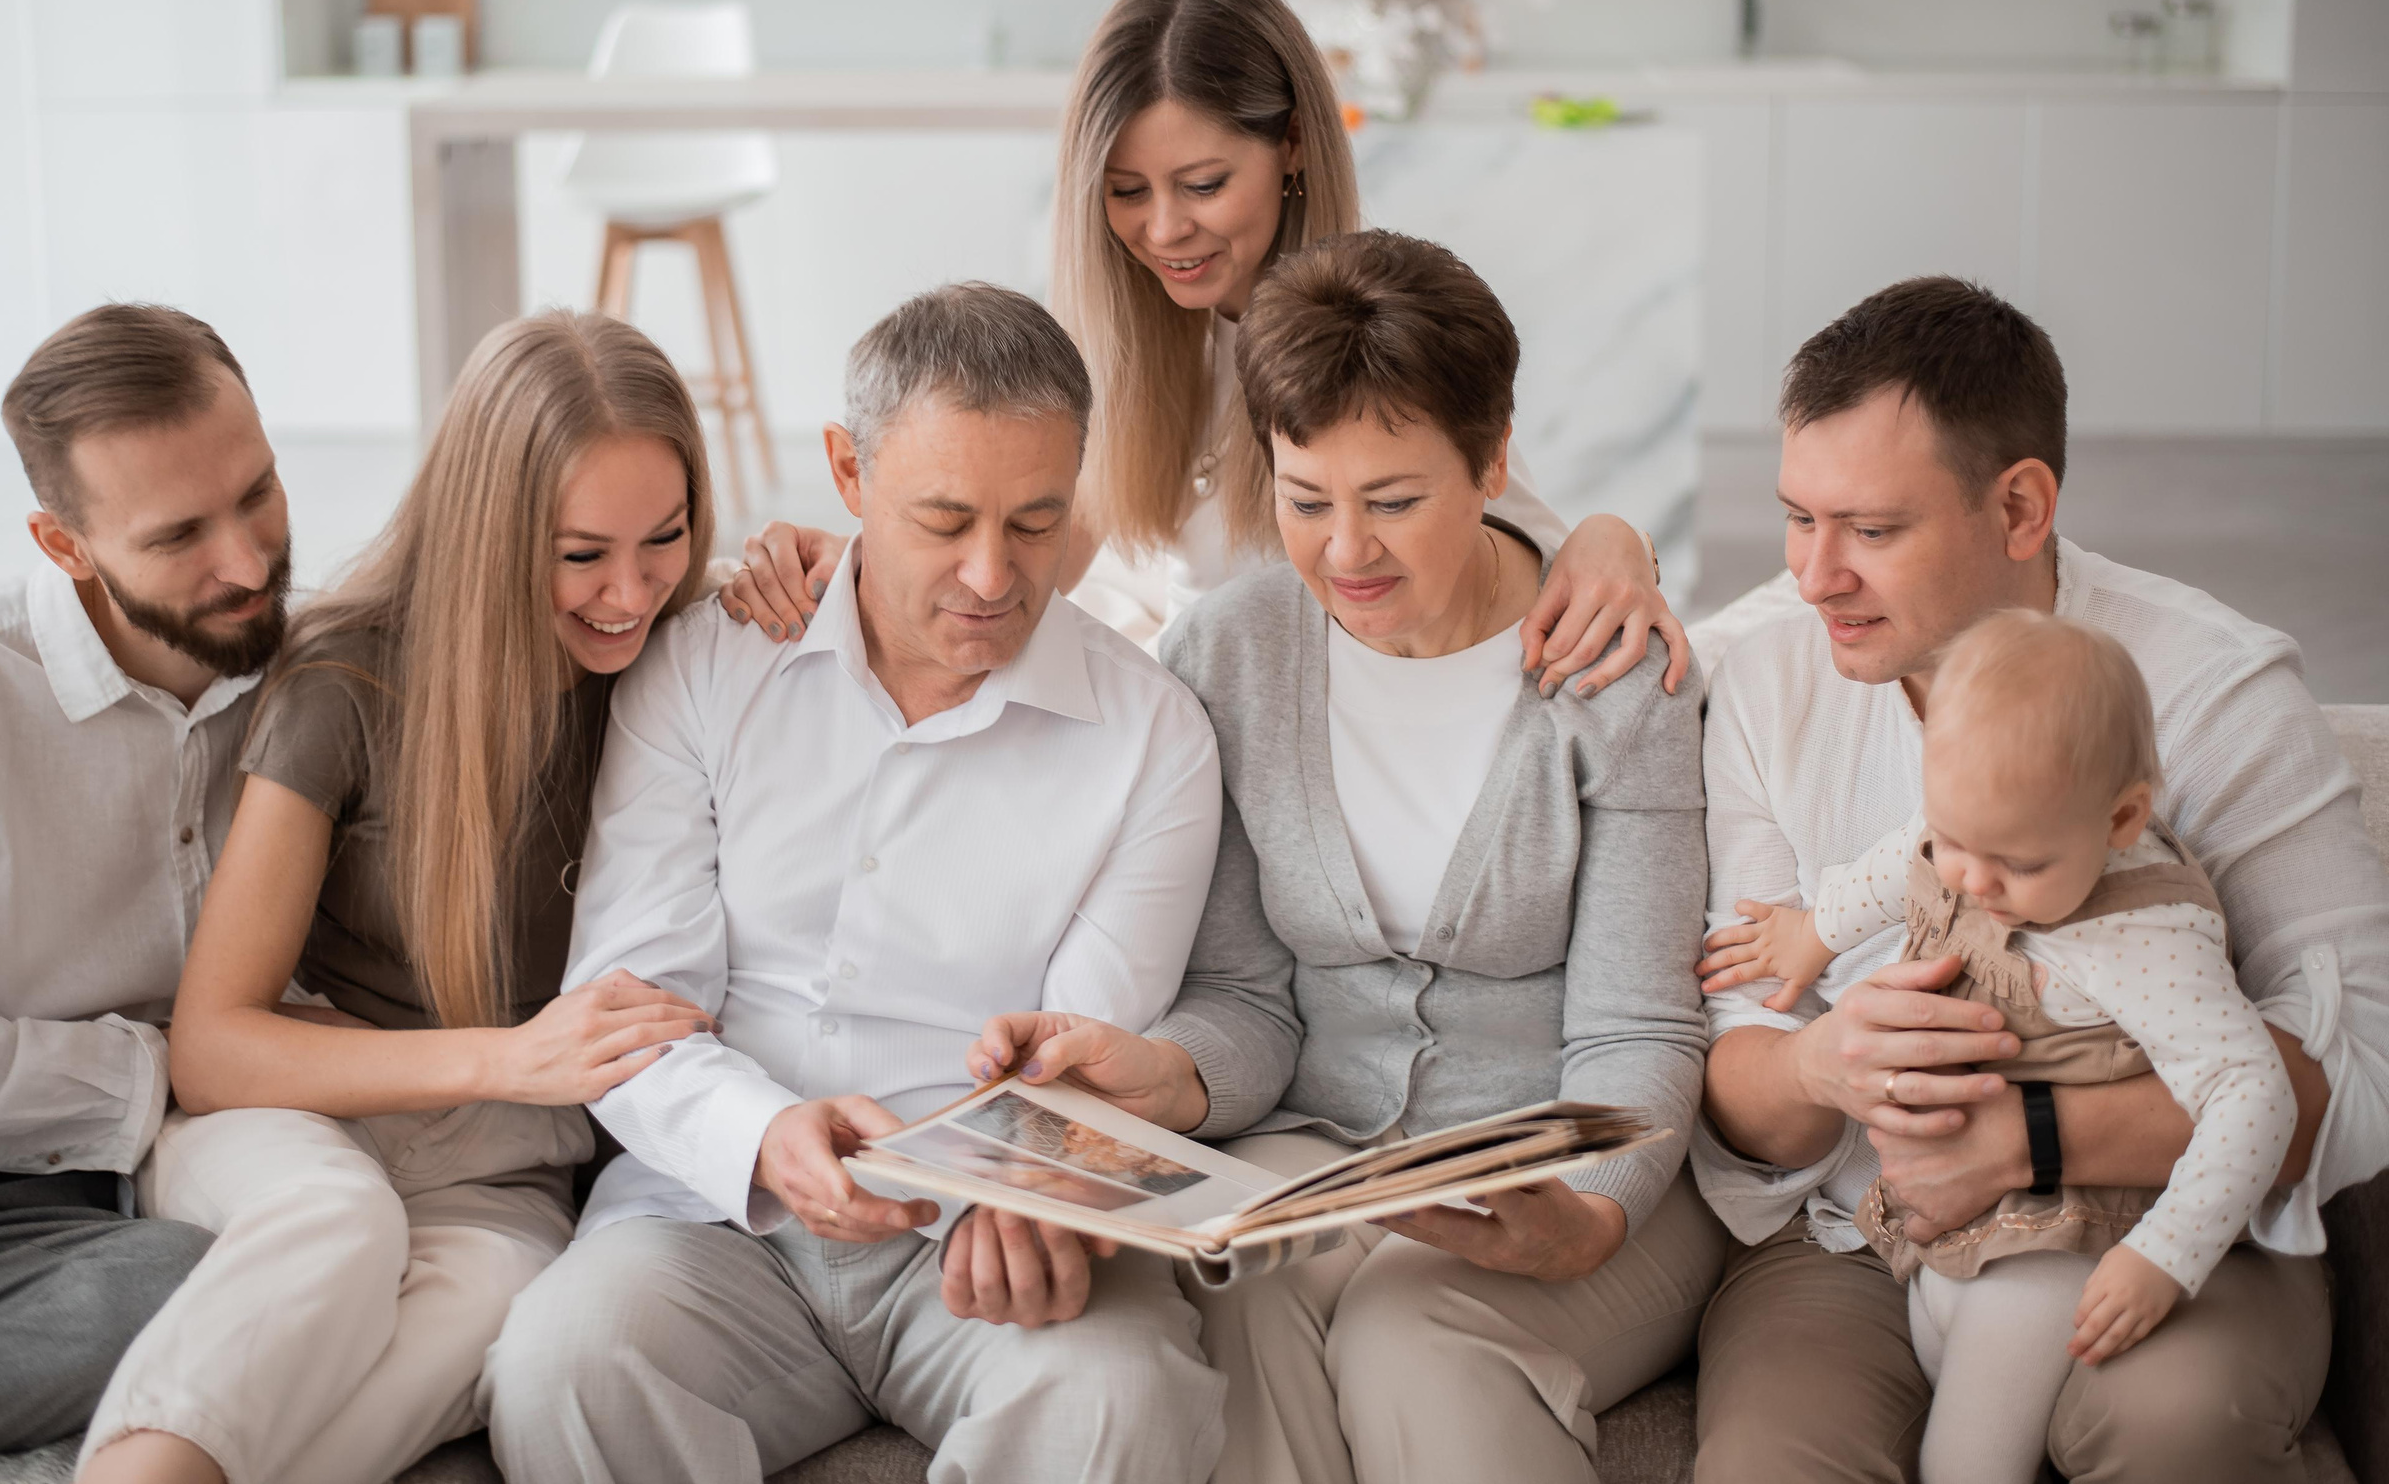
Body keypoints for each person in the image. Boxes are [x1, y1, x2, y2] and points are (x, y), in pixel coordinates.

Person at [962, 230, 1720, 1484]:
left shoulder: (1611, 675)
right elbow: (1251, 1003)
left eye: (1394, 500)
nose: (1346, 552)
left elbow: (1639, 1029)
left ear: (1490, 461)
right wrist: (1151, 1070)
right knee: (1235, 1292)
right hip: (1314, 1146)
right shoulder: (1229, 650)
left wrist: (1584, 1217)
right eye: (1305, 500)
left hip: (1579, 1171)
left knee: (1406, 1330)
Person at [484, 283, 1229, 1484]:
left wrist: (1033, 1186)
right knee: (562, 1363)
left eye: (1035, 522)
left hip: (979, 1237)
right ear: (846, 472)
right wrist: (764, 1133)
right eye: (943, 519)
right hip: (709, 1215)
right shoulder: (704, 664)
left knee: (1125, 1398)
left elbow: (1089, 1050)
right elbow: (628, 1004)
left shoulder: (1154, 736)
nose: (991, 573)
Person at [1687, 276, 2389, 1484]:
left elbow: (2370, 1069)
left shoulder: (2215, 694)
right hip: (1859, 1234)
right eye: (1796, 517)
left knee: (2174, 1418)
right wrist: (1819, 1060)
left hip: (2162, 1218)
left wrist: (2034, 1140)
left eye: (1870, 527)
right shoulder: (1758, 682)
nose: (1813, 576)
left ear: (2018, 506)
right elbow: (1734, 1062)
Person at [75, 312, 720, 1484]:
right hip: (299, 1121)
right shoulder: (349, 678)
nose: (630, 589)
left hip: (505, 1172)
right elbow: (213, 1046)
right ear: (489, 530)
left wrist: (822, 564)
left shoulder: (693, 667)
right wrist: (506, 1057)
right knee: (343, 1224)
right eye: (579, 553)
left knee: (483, 1312)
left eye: (663, 536)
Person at [721, 0, 1685, 701]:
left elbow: (1499, 514)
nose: (1163, 231)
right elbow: (1035, 554)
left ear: (1295, 143)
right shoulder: (1125, 349)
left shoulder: (1360, 334)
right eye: (1127, 192)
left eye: (1205, 185)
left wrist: (1616, 540)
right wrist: (857, 564)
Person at [0, 304, 291, 1476]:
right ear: (63, 543)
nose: (244, 562)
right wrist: (149, 1071)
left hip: (62, 1214)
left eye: (258, 493)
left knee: (187, 1292)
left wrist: (778, 566)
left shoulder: (308, 670)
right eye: (180, 533)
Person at [1706, 609, 2297, 1484]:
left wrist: (2164, 1253)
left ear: (2122, 817)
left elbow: (2258, 1094)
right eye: (1956, 843)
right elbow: (1893, 860)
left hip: (2059, 1241)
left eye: (2014, 866)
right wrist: (1810, 936)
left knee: (1966, 1461)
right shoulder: (1978, 826)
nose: (1973, 883)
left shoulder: (2147, 934)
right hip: (1946, 1237)